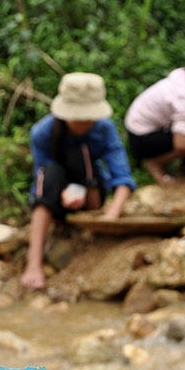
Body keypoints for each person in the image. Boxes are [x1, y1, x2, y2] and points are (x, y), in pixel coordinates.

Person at [21, 72, 137, 291]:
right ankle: (33, 263)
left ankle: (93, 232)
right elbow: (42, 179)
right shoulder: (42, 133)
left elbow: (122, 176)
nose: (85, 123)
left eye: (89, 118)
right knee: (51, 172)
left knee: (81, 155)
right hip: (55, 199)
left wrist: (112, 214)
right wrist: (65, 191)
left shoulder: (104, 129)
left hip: (92, 195)